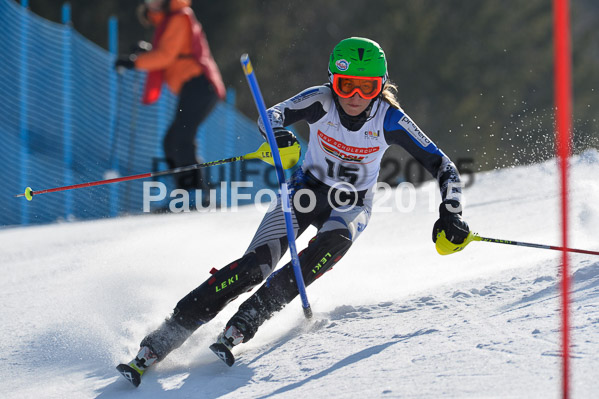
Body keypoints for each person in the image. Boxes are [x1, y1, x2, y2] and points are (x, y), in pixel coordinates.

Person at [117, 37, 470, 386]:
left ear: (381, 87)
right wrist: (279, 136)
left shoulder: (390, 118)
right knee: (256, 266)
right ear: (334, 81)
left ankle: (251, 316)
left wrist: (451, 211)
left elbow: (443, 165)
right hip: (304, 191)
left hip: (351, 203)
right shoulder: (321, 100)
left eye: (368, 87)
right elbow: (270, 116)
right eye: (347, 86)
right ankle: (166, 334)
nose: (355, 97)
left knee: (333, 242)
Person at [115, 0, 225, 199]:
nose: (152, 3)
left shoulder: (180, 17)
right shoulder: (167, 21)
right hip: (194, 87)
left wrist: (135, 62)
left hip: (200, 84)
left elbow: (166, 56)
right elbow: (172, 53)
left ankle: (196, 195)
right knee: (172, 141)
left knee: (180, 139)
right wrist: (146, 53)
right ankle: (190, 192)